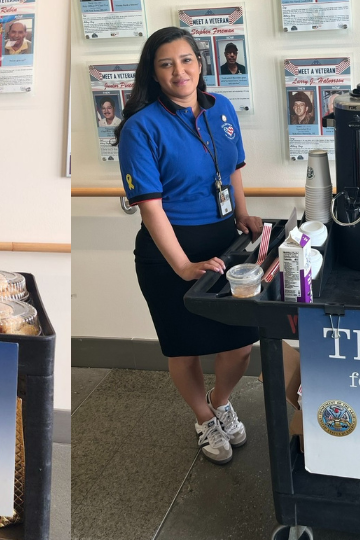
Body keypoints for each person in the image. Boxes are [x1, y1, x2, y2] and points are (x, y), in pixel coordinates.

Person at [114, 27, 263, 466]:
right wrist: (181, 265)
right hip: (170, 250)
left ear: (200, 64)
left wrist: (242, 213)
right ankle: (203, 418)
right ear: (154, 74)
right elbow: (150, 207)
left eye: (186, 60)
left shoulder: (222, 109)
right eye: (166, 64)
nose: (179, 71)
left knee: (239, 343)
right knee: (184, 347)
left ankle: (219, 402)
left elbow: (233, 168)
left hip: (224, 241)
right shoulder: (140, 128)